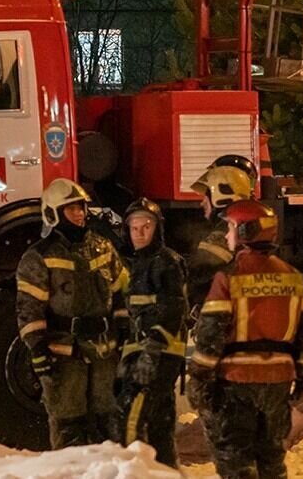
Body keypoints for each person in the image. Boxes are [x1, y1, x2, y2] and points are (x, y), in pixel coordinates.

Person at [188, 200, 303, 479]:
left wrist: (198, 378)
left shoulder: (229, 277)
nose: (226, 235)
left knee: (237, 462)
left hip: (236, 383)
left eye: (231, 227)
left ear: (247, 231)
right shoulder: (293, 277)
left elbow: (211, 336)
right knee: (272, 460)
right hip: (279, 383)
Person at [16, 178, 129, 449]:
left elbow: (122, 291)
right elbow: (29, 308)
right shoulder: (39, 257)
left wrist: (125, 330)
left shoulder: (103, 247)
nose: (79, 214)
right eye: (71, 209)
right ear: (53, 213)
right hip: (63, 355)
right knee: (69, 424)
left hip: (104, 353)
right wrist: (38, 350)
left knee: (110, 423)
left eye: (81, 208)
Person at [118, 198, 188, 467]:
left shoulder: (166, 262)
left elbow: (173, 308)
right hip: (143, 350)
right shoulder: (136, 264)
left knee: (131, 417)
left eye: (146, 226)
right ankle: (165, 470)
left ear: (157, 228)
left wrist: (151, 351)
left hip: (159, 352)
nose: (139, 232)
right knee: (160, 422)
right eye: (134, 226)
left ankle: (132, 471)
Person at [187, 164, 254, 312]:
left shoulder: (225, 231)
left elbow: (197, 270)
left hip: (220, 313)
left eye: (206, 197)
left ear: (221, 198)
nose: (202, 202)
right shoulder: (244, 226)